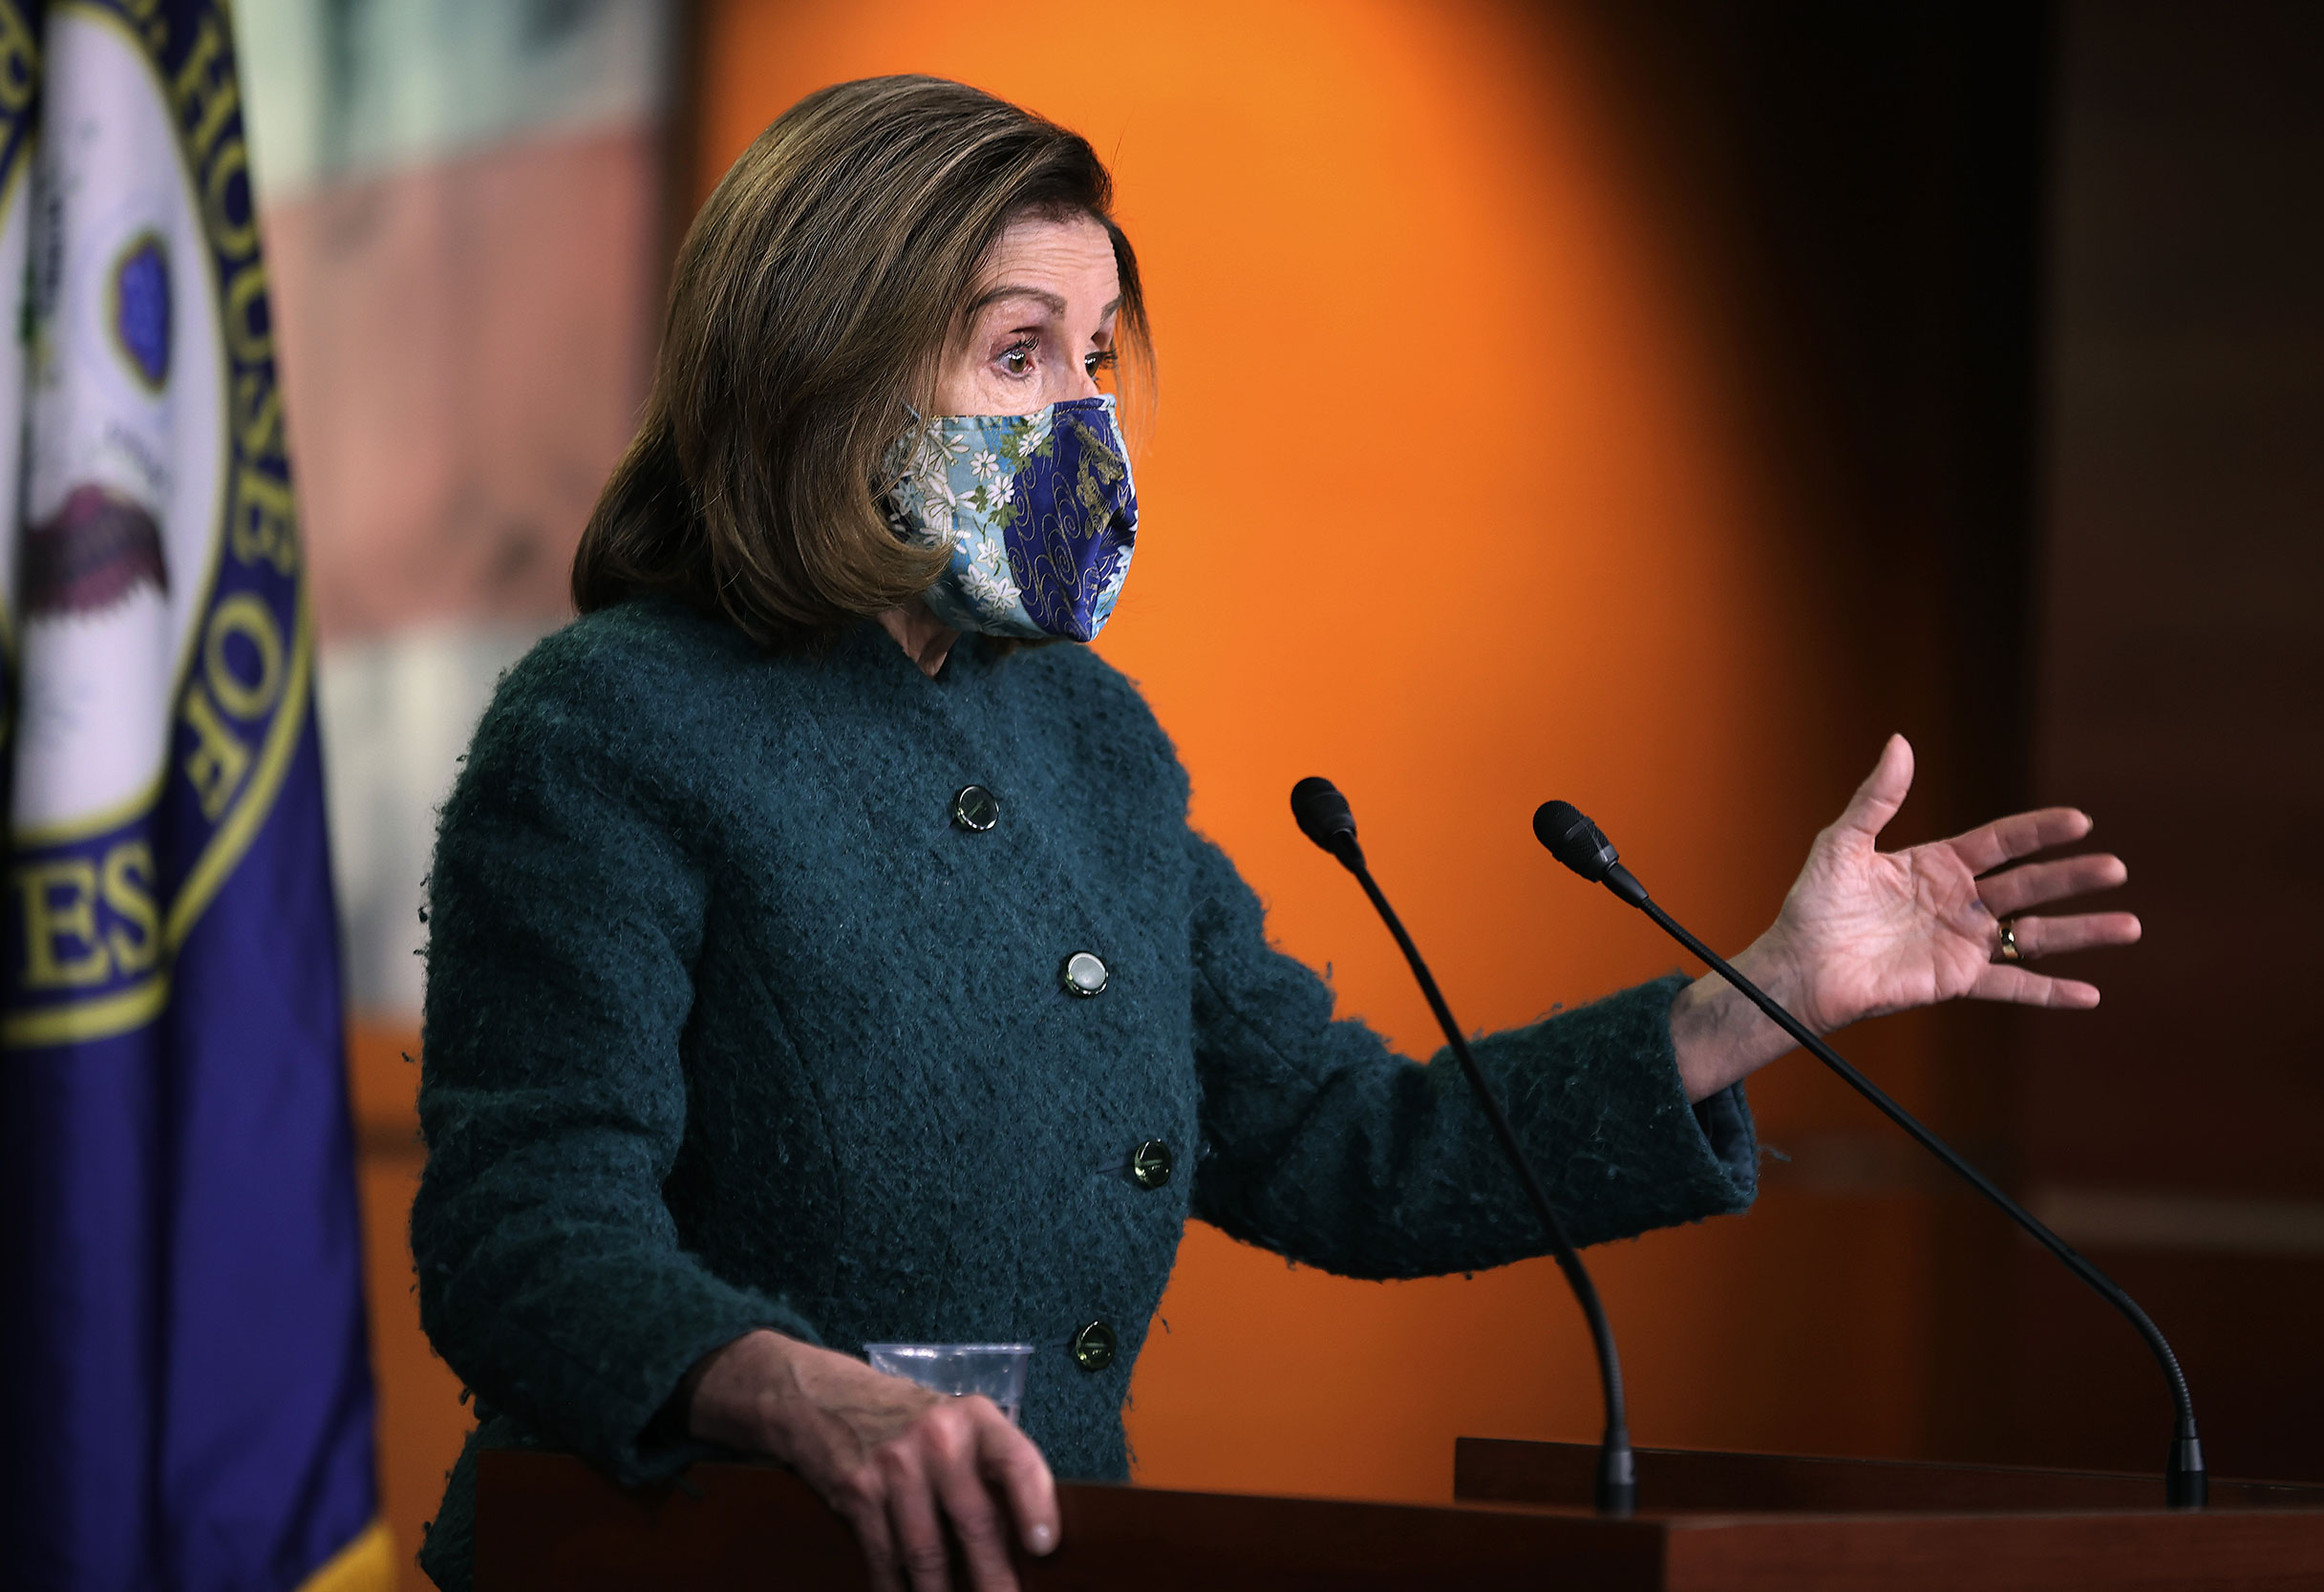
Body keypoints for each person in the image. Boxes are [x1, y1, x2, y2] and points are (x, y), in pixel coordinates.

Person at [407, 75, 2141, 1592]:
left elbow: (1342, 1141)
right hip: (695, 1566)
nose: (1082, 415)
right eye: (1018, 353)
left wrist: (1757, 997)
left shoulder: (1096, 742)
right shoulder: (615, 727)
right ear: (823, 375)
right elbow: (521, 1232)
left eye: (1095, 357)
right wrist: (793, 1390)